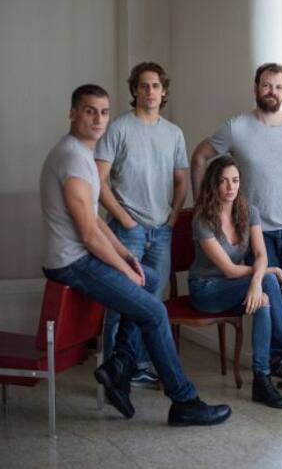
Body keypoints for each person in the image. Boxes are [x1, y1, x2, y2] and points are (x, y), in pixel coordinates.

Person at [39, 84, 231, 426]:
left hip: (78, 257)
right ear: (72, 113)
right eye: (89, 111)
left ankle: (119, 365)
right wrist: (126, 270)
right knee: (154, 311)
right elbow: (87, 233)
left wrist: (126, 256)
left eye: (103, 112)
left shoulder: (83, 154)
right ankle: (184, 401)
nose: (98, 119)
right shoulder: (72, 159)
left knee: (151, 278)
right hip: (70, 262)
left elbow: (96, 222)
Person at [191, 62, 282, 388]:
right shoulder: (236, 127)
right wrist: (202, 206)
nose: (272, 92)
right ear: (256, 88)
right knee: (271, 288)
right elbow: (200, 157)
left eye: (278, 87)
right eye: (266, 85)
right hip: (256, 230)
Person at [189, 156, 282, 408]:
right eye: (223, 181)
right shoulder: (202, 220)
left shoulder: (248, 211)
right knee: (269, 281)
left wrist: (259, 280)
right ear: (213, 184)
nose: (230, 187)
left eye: (235, 180)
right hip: (207, 290)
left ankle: (261, 379)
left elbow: (261, 254)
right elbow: (230, 270)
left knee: (264, 300)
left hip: (237, 286)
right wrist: (269, 272)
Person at [95, 62, 188, 389]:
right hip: (127, 231)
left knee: (151, 304)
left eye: (156, 86)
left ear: (164, 92)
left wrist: (173, 217)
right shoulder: (119, 128)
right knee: (120, 303)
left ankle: (140, 365)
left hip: (161, 231)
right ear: (134, 90)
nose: (150, 91)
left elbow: (181, 181)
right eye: (144, 85)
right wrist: (125, 219)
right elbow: (97, 180)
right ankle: (112, 372)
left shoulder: (174, 133)